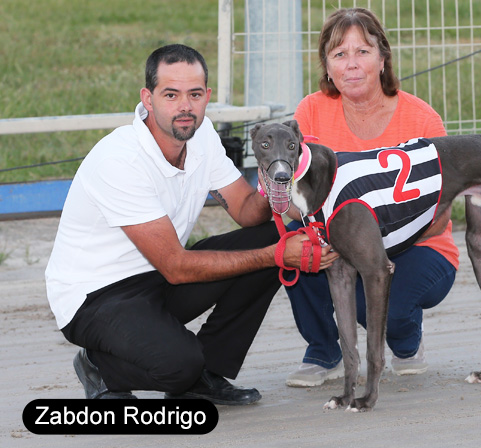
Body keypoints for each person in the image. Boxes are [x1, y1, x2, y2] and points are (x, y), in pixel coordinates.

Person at [44, 44, 337, 404]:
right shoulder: (120, 160)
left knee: (267, 236)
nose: (185, 106)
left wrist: (277, 179)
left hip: (157, 276)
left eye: (194, 95)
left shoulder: (202, 134)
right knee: (180, 366)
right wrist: (276, 255)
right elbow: (177, 266)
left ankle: (208, 372)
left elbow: (247, 210)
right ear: (148, 99)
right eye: (171, 95)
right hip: (96, 297)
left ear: (207, 97)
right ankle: (99, 366)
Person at [285, 8, 460, 387]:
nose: (351, 64)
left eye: (362, 52)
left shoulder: (422, 119)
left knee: (377, 304)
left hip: (418, 243)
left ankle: (406, 340)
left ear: (383, 59)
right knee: (291, 242)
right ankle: (323, 351)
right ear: (327, 66)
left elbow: (442, 215)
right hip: (339, 239)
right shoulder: (311, 111)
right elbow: (298, 198)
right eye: (339, 54)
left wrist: (372, 247)